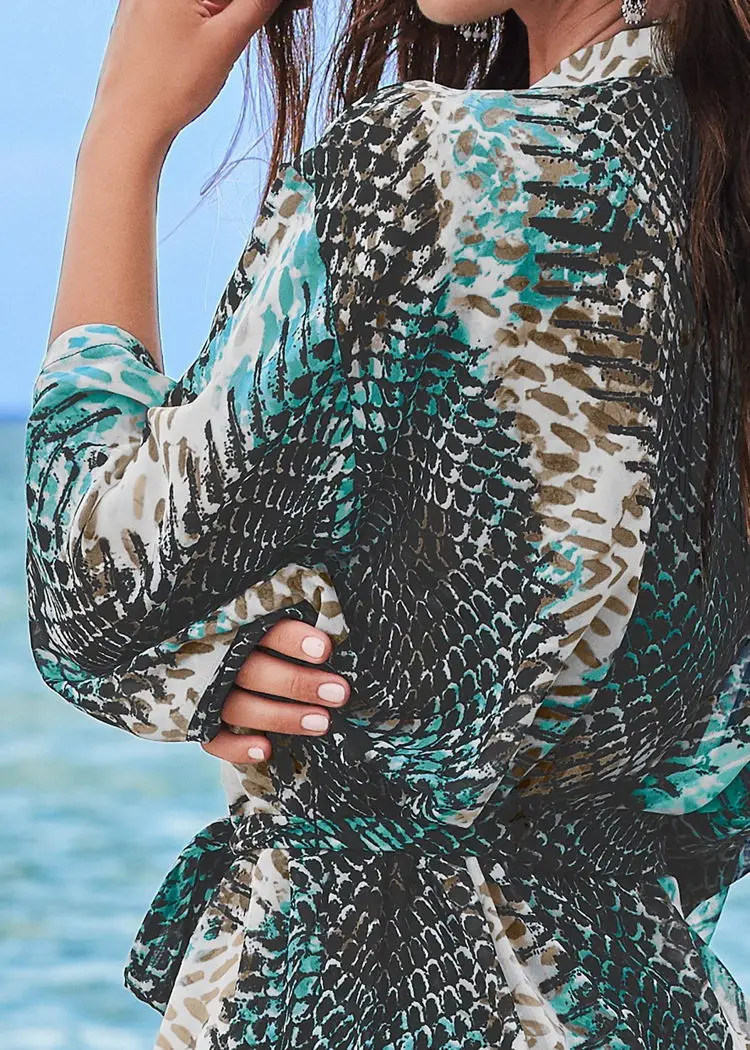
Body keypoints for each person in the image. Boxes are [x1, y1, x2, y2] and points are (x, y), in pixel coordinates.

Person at [24, 0, 750, 1045]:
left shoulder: (427, 172)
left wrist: (123, 133)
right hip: (642, 1002)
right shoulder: (715, 194)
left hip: (366, 993)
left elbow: (94, 593)